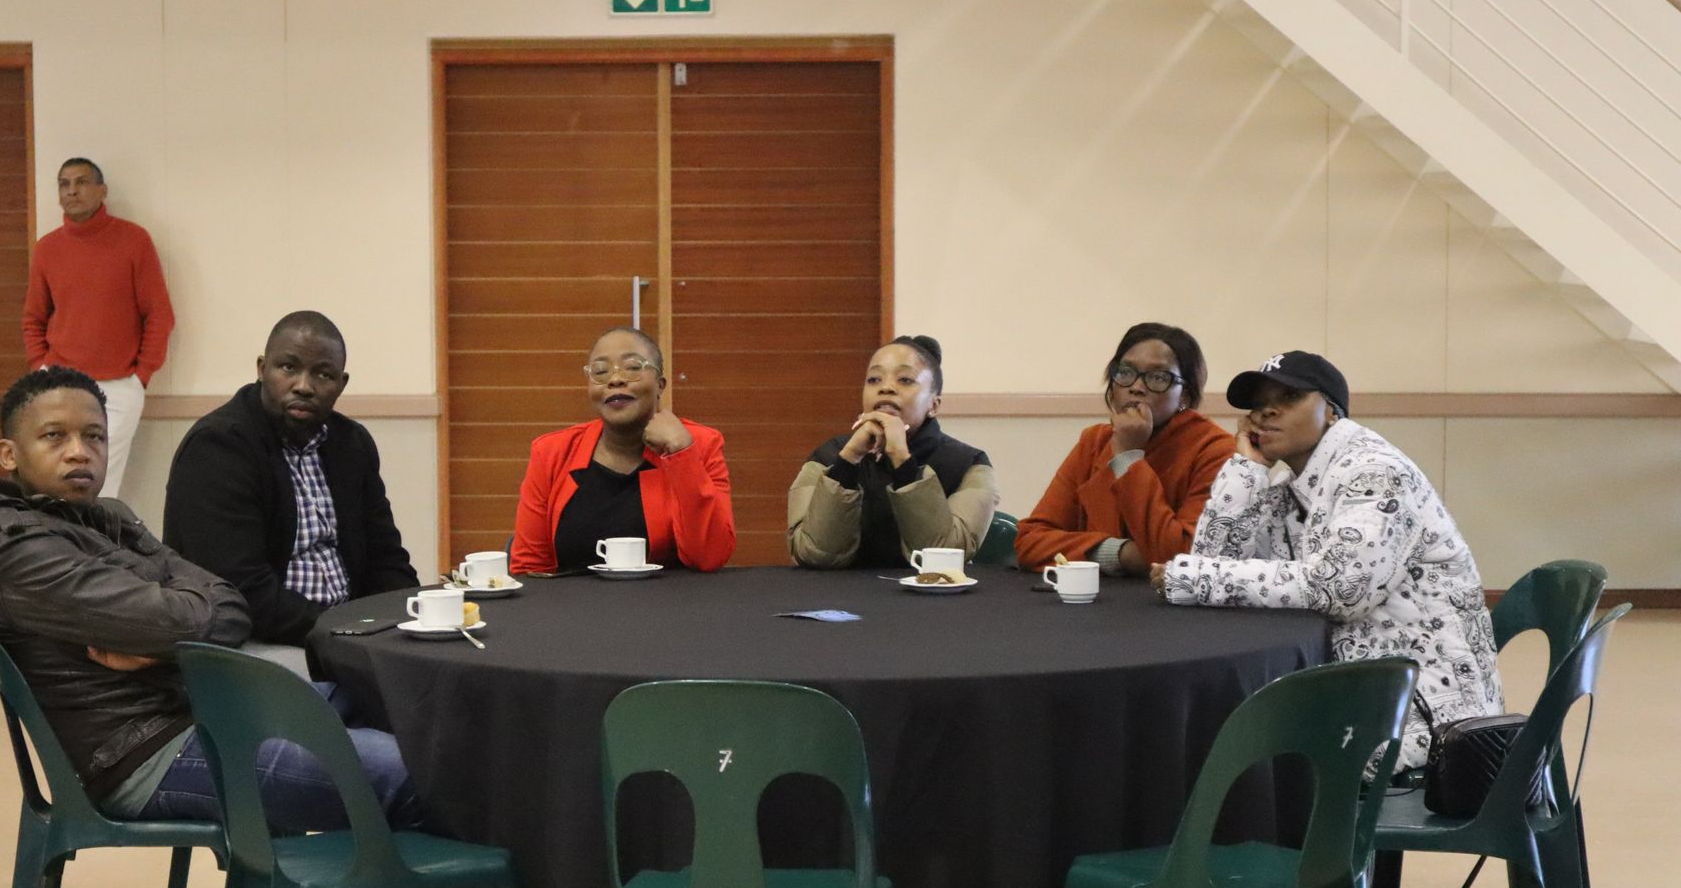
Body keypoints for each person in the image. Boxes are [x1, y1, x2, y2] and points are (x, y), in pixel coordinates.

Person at [0, 366, 419, 831]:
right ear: (9, 454)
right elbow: (192, 622)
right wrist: (178, 627)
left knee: (387, 699)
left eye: (94, 436)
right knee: (413, 773)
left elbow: (227, 601)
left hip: (198, 710)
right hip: (146, 755)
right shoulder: (18, 550)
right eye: (55, 437)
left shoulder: (106, 517)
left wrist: (164, 643)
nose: (80, 453)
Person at [1152, 351, 1502, 768]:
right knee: (1225, 744)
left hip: (1427, 726)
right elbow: (1214, 558)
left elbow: (1338, 589)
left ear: (1332, 412)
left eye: (1290, 396)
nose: (1266, 412)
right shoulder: (1288, 482)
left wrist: (1194, 578)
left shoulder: (1375, 473)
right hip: (1364, 699)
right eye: (1258, 403)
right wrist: (1246, 470)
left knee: (1235, 755)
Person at [163, 310, 418, 662]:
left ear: (341, 384)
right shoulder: (218, 448)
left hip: (347, 635)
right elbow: (241, 590)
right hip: (251, 643)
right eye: (288, 368)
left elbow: (386, 559)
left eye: (323, 374)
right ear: (261, 369)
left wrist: (416, 619)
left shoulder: (352, 445)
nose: (304, 385)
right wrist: (345, 632)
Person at [510, 326, 734, 574]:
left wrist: (681, 454)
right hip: (574, 608)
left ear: (660, 385)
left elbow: (710, 556)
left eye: (633, 367)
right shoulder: (551, 452)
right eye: (601, 372)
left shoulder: (700, 444)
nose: (615, 380)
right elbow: (529, 568)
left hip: (672, 608)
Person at [1016, 321, 1234, 575]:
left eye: (1157, 377)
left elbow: (1181, 558)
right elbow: (1029, 541)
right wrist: (1121, 554)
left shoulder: (1215, 450)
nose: (1136, 387)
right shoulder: (1095, 441)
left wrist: (1128, 457)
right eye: (1125, 372)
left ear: (1185, 395)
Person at [21, 157, 174, 500]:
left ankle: (98, 554)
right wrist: (40, 368)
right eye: (64, 184)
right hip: (58, 385)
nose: (72, 190)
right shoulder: (47, 248)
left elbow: (159, 315)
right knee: (54, 483)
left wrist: (141, 375)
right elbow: (33, 318)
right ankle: (60, 552)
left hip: (119, 387)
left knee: (102, 490)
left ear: (101, 190)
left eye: (81, 182)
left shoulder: (134, 241)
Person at [786, 335, 998, 568]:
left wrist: (902, 461)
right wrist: (848, 462)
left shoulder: (969, 464)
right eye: (874, 379)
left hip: (932, 600)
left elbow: (943, 559)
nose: (886, 388)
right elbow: (815, 555)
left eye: (905, 380)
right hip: (839, 599)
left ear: (934, 405)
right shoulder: (827, 457)